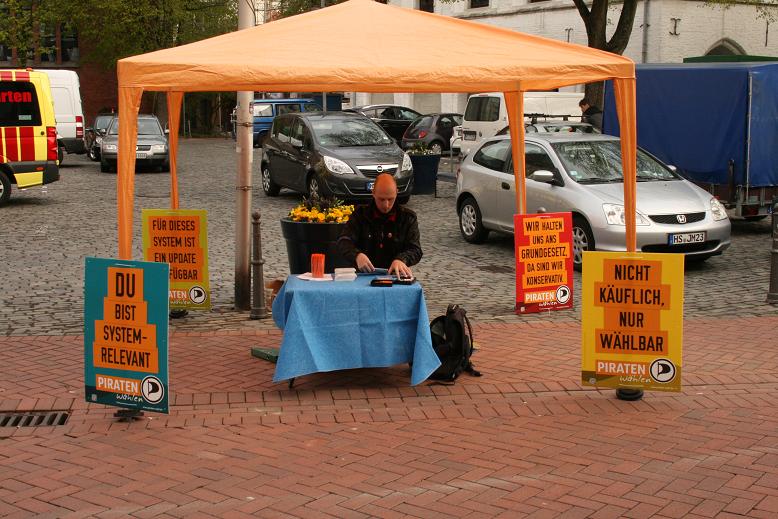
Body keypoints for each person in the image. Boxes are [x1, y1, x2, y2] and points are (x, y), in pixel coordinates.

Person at [337, 173, 422, 279]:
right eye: (381, 199)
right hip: (363, 276)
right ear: (373, 193)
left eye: (390, 199)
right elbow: (344, 241)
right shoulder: (360, 215)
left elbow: (415, 249)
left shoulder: (407, 218)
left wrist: (401, 259)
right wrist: (357, 255)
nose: (386, 205)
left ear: (396, 193)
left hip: (395, 276)